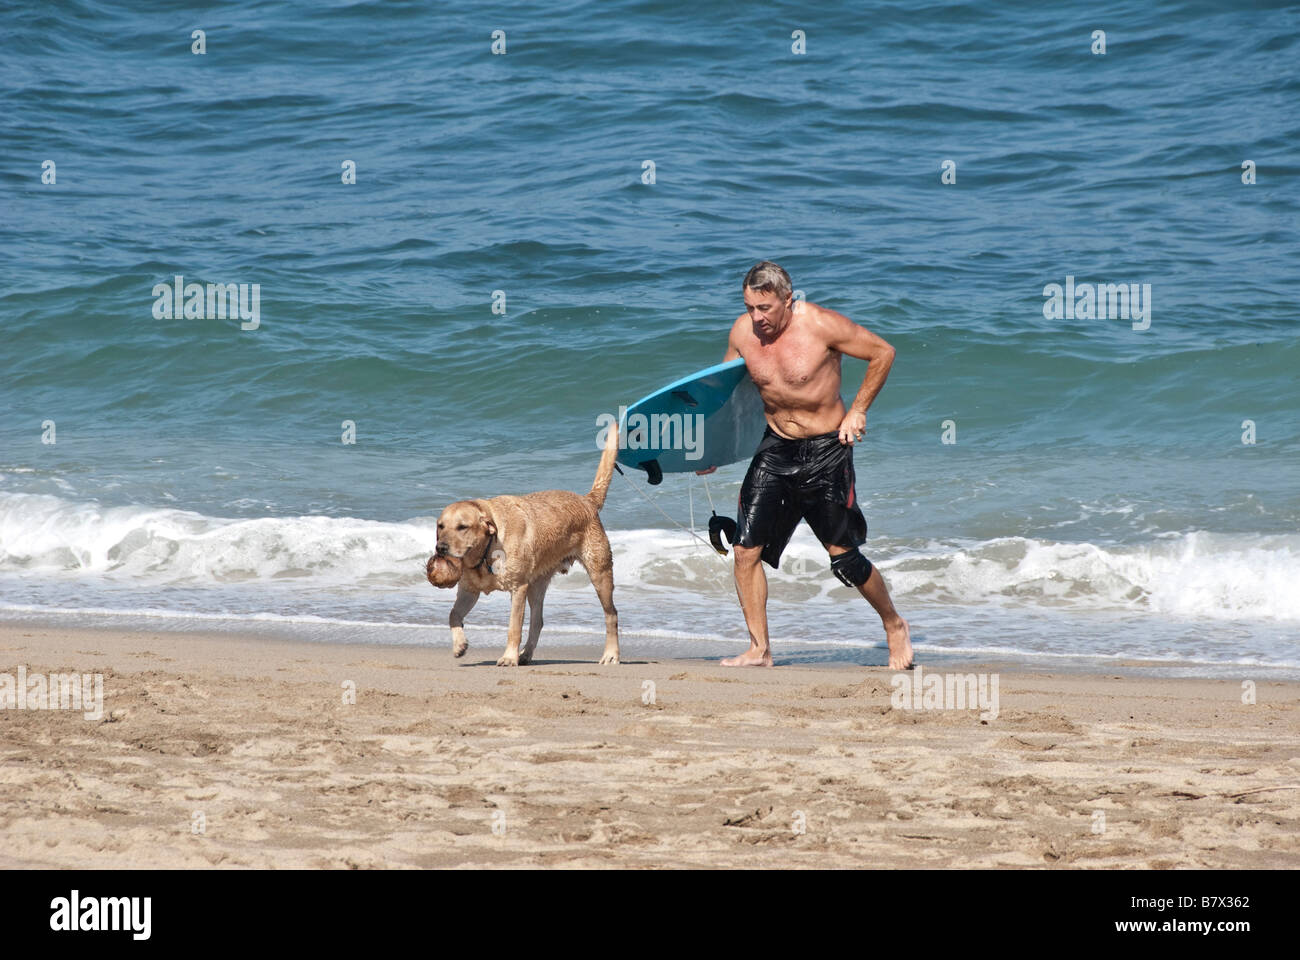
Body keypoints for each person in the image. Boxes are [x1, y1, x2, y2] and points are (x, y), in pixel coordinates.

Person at [698, 261, 912, 669]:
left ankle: (893, 624)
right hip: (775, 447)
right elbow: (729, 391)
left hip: (827, 450)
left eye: (765, 308)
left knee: (844, 556)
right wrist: (713, 448)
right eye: (749, 308)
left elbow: (883, 352)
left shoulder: (821, 326)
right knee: (745, 551)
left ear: (788, 300)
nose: (757, 318)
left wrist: (858, 411)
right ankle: (760, 649)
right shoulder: (742, 332)